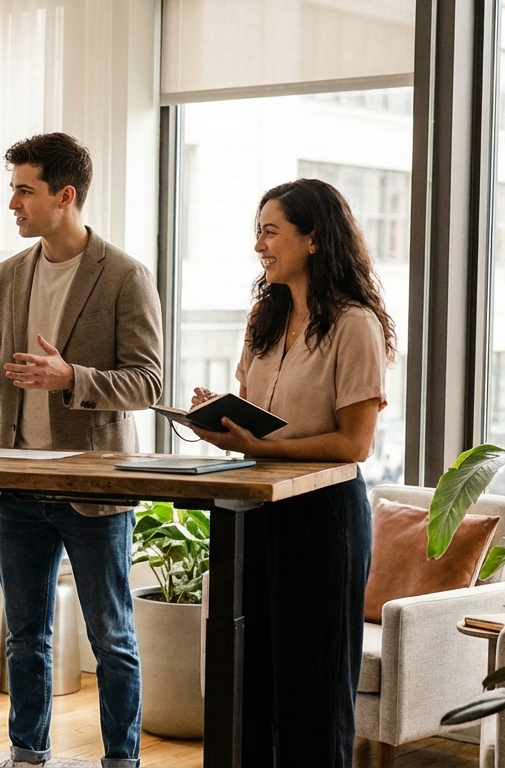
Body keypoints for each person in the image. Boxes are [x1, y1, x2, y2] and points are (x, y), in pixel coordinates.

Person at [0, 133, 163, 768]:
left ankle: (121, 760)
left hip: (93, 490)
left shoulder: (125, 276)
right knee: (25, 636)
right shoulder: (8, 276)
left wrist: (72, 379)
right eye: (12, 190)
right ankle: (27, 754)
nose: (12, 203)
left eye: (24, 190)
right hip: (19, 486)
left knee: (111, 639)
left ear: (66, 195)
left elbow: (149, 382)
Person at [187, 178, 394, 766]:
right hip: (256, 509)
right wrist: (223, 424)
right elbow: (259, 421)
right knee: (250, 680)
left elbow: (354, 443)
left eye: (271, 231)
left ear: (313, 239)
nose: (260, 245)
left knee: (315, 685)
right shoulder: (264, 318)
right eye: (258, 232)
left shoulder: (355, 324)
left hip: (322, 515)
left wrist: (264, 445)